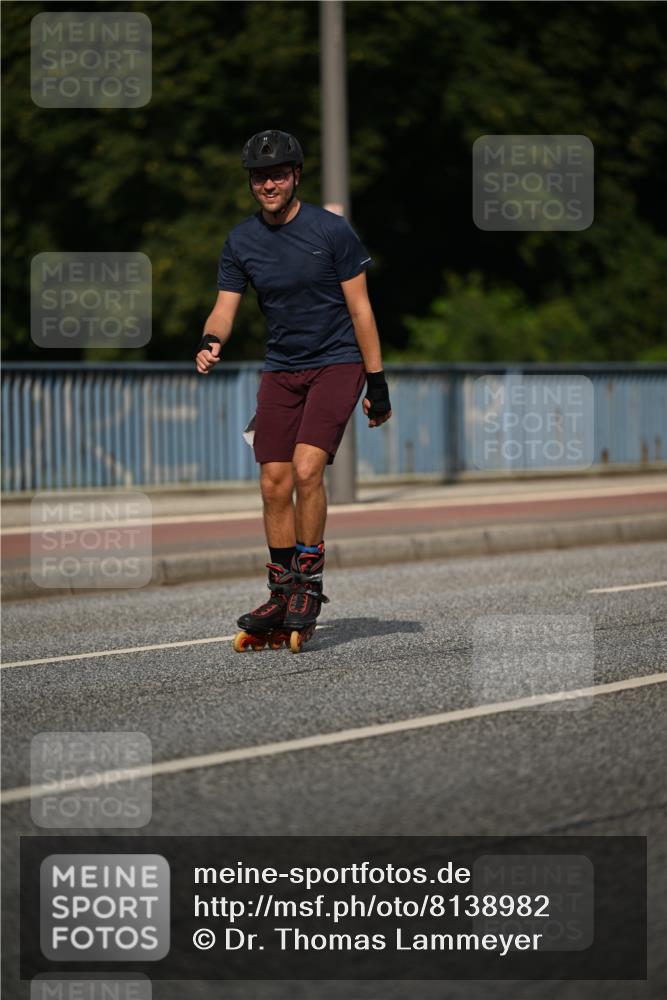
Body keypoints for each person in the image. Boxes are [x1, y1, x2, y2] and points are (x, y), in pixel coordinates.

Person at [196, 129, 391, 648]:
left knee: (307, 468)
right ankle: (280, 591)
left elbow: (361, 309)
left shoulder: (331, 232)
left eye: (278, 174)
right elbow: (225, 305)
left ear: (296, 175)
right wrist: (212, 339)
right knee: (272, 482)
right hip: (281, 368)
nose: (269, 184)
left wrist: (377, 381)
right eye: (260, 176)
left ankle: (309, 584)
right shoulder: (241, 241)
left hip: (337, 361)